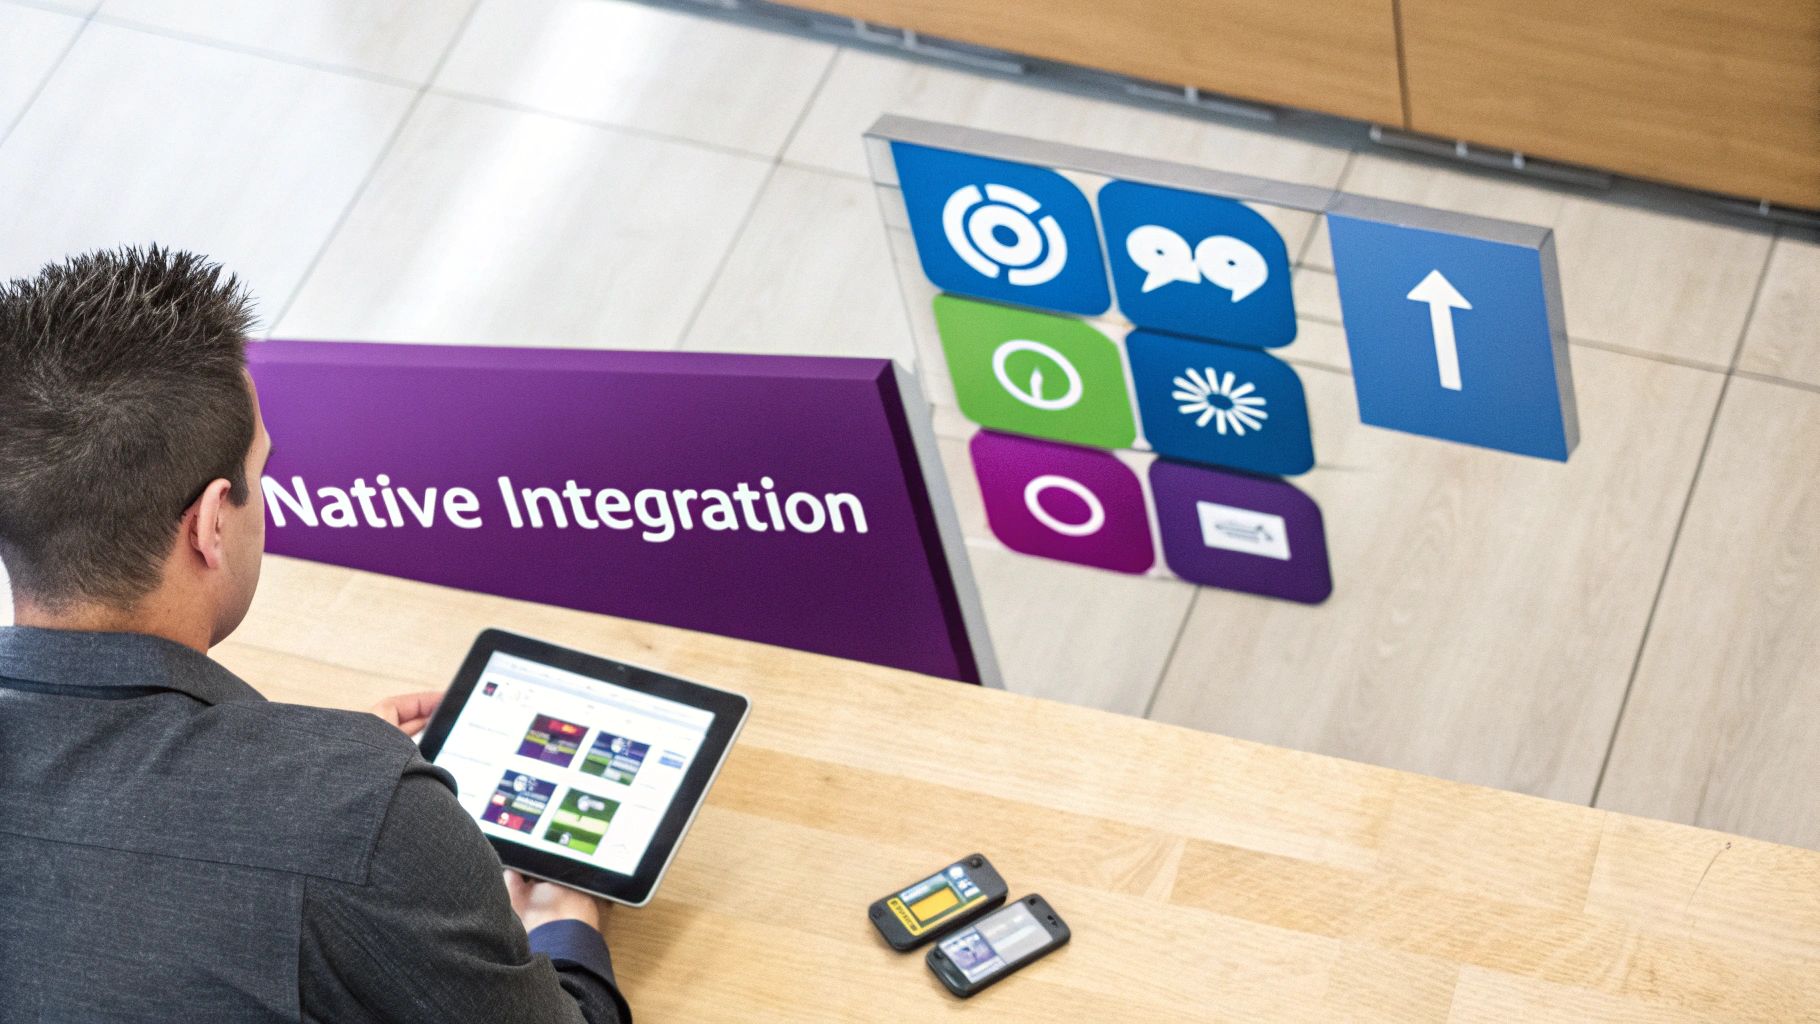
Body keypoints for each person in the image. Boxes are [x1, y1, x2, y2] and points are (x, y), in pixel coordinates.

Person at [0, 247, 630, 1023]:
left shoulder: (343, 801)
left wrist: (309, 770)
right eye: (261, 475)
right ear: (210, 525)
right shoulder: (364, 813)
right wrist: (564, 923)